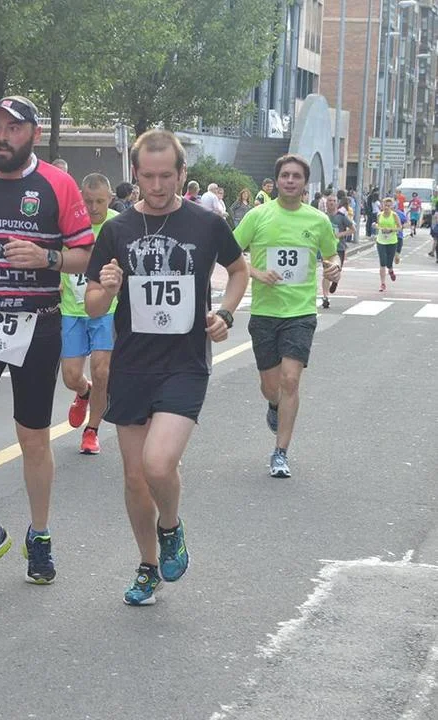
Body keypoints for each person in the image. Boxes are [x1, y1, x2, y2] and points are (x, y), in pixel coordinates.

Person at [84, 129, 249, 606]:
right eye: (148, 176)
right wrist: (107, 288)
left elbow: (238, 269)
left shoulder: (206, 223)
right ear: (135, 174)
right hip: (132, 364)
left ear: (181, 174)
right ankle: (147, 566)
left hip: (185, 363)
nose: (157, 186)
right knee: (135, 477)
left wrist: (225, 313)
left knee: (158, 464)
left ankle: (170, 527)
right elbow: (93, 305)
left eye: (166, 176)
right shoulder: (117, 230)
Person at [0, 95, 94, 585]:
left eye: (12, 128)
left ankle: (40, 534)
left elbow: (85, 254)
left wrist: (46, 258)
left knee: (33, 438)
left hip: (38, 322)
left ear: (33, 133)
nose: (1, 137)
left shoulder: (58, 184)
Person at [233, 154, 341, 478]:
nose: (290, 180)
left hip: (301, 312)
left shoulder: (318, 220)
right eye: (285, 175)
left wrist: (334, 268)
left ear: (305, 183)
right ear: (276, 180)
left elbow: (332, 254)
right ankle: (274, 404)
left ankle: (280, 452)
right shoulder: (257, 216)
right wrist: (256, 272)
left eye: (296, 176)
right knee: (271, 386)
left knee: (290, 380)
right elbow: (230, 254)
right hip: (265, 312)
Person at [61, 173, 117, 456]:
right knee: (71, 376)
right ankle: (84, 392)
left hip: (107, 309)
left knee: (102, 370)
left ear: (110, 199)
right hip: (72, 309)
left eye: (100, 201)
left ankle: (92, 430)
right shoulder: (67, 225)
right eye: (88, 201)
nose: (93, 208)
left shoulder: (118, 226)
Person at [321, 199, 353, 308]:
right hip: (326, 248)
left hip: (339, 248)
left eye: (334, 201)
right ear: (326, 203)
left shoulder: (341, 217)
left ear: (337, 203)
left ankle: (335, 281)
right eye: (329, 200)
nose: (331, 202)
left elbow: (352, 229)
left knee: (336, 270)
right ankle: (325, 297)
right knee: (326, 272)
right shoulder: (323, 217)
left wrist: (341, 234)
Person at [374, 197, 401, 292]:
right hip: (381, 241)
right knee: (382, 262)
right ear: (382, 206)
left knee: (389, 263)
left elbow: (399, 227)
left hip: (392, 241)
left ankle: (390, 270)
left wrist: (391, 229)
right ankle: (383, 283)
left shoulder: (394, 215)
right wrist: (376, 226)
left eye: (389, 206)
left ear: (392, 206)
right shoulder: (379, 215)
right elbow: (378, 225)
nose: (386, 207)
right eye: (385, 205)